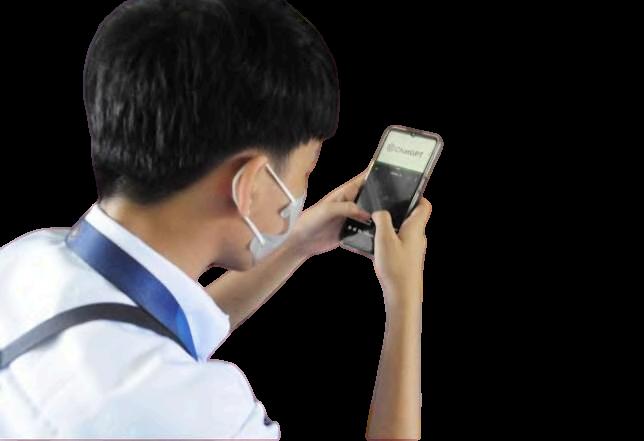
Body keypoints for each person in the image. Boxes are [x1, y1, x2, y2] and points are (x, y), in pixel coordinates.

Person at [0, 0, 431, 439]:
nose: (301, 194)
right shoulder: (205, 417)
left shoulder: (24, 258)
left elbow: (159, 328)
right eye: (306, 172)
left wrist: (296, 242)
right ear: (250, 185)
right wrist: (405, 300)